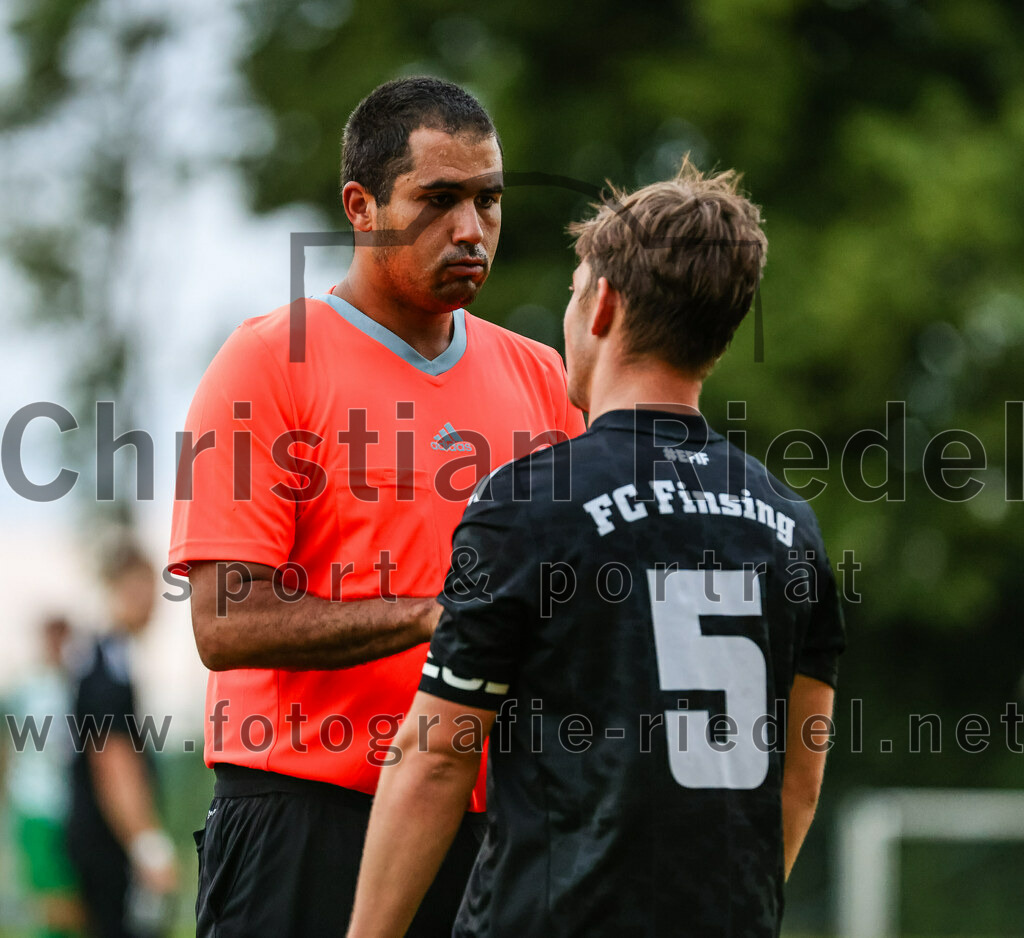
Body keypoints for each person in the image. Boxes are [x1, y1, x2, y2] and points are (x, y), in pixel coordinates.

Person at [346, 158, 847, 937]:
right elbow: (801, 776)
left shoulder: (527, 502)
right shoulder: (791, 522)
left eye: (576, 293)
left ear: (603, 305)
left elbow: (436, 756)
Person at [168, 76, 585, 937]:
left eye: (489, 200)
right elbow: (225, 624)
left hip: (488, 831)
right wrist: (442, 614)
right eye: (438, 200)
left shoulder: (544, 376)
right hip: (305, 819)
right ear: (361, 207)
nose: (471, 230)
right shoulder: (267, 363)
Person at [66, 544, 178, 938]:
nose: (152, 605)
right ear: (115, 589)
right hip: (107, 843)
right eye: (141, 590)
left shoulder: (102, 658)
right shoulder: (105, 665)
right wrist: (147, 844)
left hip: (103, 838)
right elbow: (112, 758)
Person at [4, 616, 85, 938]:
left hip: (71, 810)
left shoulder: (77, 688)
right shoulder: (26, 690)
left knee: (73, 901)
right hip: (35, 806)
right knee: (52, 902)